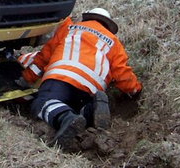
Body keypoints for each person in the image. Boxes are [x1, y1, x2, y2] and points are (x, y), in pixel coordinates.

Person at [17, 8, 142, 150]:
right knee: (75, 108)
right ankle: (90, 109)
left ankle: (65, 118)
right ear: (108, 25)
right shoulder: (114, 42)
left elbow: (44, 56)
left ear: (88, 18)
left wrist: (27, 78)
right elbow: (122, 73)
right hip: (90, 87)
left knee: (42, 103)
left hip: (61, 77)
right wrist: (135, 89)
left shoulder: (69, 27)